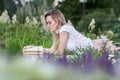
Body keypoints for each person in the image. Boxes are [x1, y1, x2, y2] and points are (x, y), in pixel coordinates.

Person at [23, 9, 120, 55]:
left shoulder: (65, 29)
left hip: (99, 47)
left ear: (57, 20)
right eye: (46, 23)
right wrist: (34, 48)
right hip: (95, 48)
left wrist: (36, 51)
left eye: (49, 23)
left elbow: (60, 53)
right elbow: (52, 50)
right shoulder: (59, 33)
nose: (47, 26)